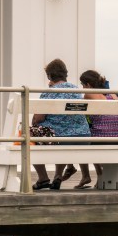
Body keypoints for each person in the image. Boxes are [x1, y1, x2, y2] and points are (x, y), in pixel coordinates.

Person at [31, 59, 90, 190]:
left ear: (50, 76)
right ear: (65, 74)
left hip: (61, 139)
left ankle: (43, 178)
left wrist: (34, 120)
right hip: (83, 137)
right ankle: (57, 175)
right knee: (61, 130)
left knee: (29, 134)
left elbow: (39, 118)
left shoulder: (49, 92)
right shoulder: (76, 90)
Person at [81, 69, 118, 187]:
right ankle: (100, 176)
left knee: (83, 137)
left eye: (82, 85)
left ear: (88, 85)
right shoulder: (113, 95)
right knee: (93, 132)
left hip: (102, 138)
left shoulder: (89, 94)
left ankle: (97, 175)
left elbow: (82, 113)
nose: (82, 88)